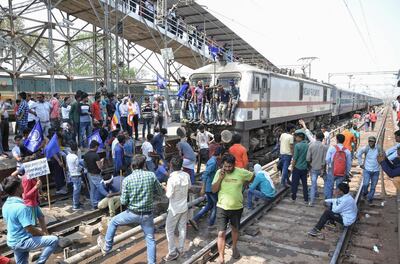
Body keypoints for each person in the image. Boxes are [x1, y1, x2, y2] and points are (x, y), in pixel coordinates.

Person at [97, 155, 164, 264]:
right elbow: (160, 193)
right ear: (144, 165)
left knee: (113, 221)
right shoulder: (151, 175)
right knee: (150, 239)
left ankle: (106, 248)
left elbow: (123, 201)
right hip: (147, 215)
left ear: (132, 166)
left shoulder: (127, 180)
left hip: (132, 213)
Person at [1, 176, 59, 264]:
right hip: (22, 241)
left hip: (12, 241)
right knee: (53, 240)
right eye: (21, 185)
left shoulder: (5, 205)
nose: (23, 186)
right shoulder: (21, 207)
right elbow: (29, 229)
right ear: (17, 189)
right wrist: (42, 234)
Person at [212, 154, 254, 263]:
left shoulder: (241, 172)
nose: (227, 169)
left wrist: (244, 184)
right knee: (221, 233)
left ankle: (234, 247)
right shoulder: (219, 173)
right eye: (225, 166)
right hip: (222, 207)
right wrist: (220, 178)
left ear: (234, 165)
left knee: (235, 229)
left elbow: (252, 176)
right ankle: (221, 256)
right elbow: (214, 190)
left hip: (236, 207)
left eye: (229, 167)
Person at [163, 156, 191, 261]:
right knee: (182, 228)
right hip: (184, 206)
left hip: (174, 209)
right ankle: (181, 248)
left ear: (171, 165)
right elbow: (189, 188)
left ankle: (172, 252)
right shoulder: (186, 175)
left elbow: (169, 195)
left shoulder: (171, 179)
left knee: (169, 229)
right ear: (181, 165)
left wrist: (165, 187)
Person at [190, 147, 223, 230]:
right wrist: (203, 188)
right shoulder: (213, 163)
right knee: (216, 205)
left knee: (209, 205)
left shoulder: (212, 160)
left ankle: (195, 219)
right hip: (210, 187)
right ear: (219, 154)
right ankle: (211, 224)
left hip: (209, 187)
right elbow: (206, 174)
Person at [324, 134, 352, 202]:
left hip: (332, 171)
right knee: (339, 189)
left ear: (337, 140)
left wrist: (330, 166)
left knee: (329, 187)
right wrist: (347, 172)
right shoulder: (347, 151)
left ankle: (328, 203)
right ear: (343, 141)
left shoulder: (331, 148)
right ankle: (337, 203)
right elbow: (349, 164)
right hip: (342, 172)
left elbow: (327, 159)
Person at [357, 136, 382, 205]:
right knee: (365, 184)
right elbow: (358, 154)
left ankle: (369, 198)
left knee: (373, 186)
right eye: (369, 141)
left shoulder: (378, 148)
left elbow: (383, 155)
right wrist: (360, 163)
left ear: (375, 142)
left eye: (372, 141)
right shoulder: (366, 148)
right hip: (367, 169)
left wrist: (381, 162)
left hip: (376, 170)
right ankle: (365, 193)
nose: (370, 142)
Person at [307, 132, 328, 206]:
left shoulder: (311, 146)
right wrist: (323, 169)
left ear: (315, 137)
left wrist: (310, 166)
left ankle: (311, 202)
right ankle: (326, 200)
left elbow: (308, 159)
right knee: (326, 183)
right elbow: (326, 160)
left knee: (313, 185)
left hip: (313, 168)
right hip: (322, 168)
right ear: (322, 139)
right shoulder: (325, 147)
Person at [83, 140, 106, 209]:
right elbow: (100, 167)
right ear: (95, 147)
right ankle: (105, 199)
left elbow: (85, 165)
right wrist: (102, 161)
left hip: (89, 174)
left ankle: (93, 203)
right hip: (96, 174)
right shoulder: (96, 155)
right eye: (97, 147)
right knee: (102, 187)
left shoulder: (86, 155)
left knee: (92, 189)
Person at [291, 132, 309, 203]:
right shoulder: (307, 145)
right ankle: (306, 199)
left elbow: (295, 158)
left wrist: (292, 166)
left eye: (296, 137)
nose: (295, 138)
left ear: (300, 138)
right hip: (304, 168)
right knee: (305, 184)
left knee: (294, 183)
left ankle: (293, 198)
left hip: (297, 168)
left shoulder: (297, 146)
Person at [66, 142, 83, 211]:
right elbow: (78, 167)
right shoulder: (75, 157)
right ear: (76, 149)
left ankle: (77, 202)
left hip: (71, 174)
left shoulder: (68, 156)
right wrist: (82, 169)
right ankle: (75, 205)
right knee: (76, 190)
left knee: (76, 189)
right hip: (77, 174)